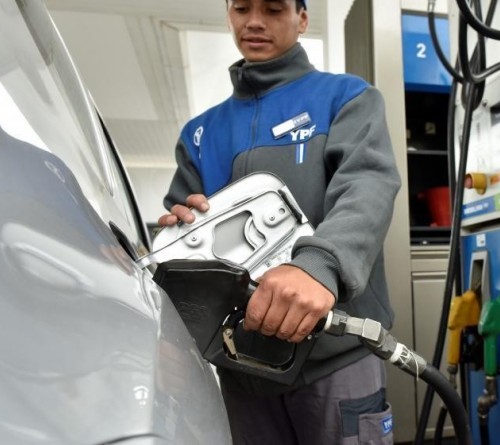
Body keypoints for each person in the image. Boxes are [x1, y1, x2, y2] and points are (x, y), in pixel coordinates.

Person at [157, 0, 401, 443]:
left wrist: (318, 267)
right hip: (241, 366)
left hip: (335, 357)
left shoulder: (346, 97)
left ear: (301, 19)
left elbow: (367, 187)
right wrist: (178, 230)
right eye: (241, 8)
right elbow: (175, 246)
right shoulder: (200, 134)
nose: (254, 22)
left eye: (272, 8)